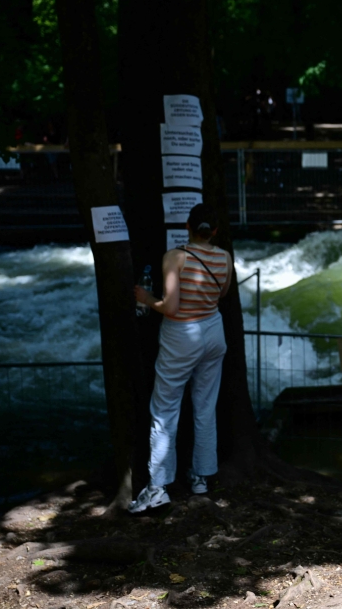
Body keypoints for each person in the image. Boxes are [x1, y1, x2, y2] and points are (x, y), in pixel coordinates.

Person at [129, 204, 232, 513]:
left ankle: (158, 487)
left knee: (164, 410)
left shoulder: (175, 257)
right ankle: (201, 477)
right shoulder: (224, 257)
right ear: (214, 231)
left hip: (181, 336)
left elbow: (171, 307)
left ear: (187, 226)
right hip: (214, 332)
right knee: (205, 407)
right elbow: (222, 294)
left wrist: (146, 298)